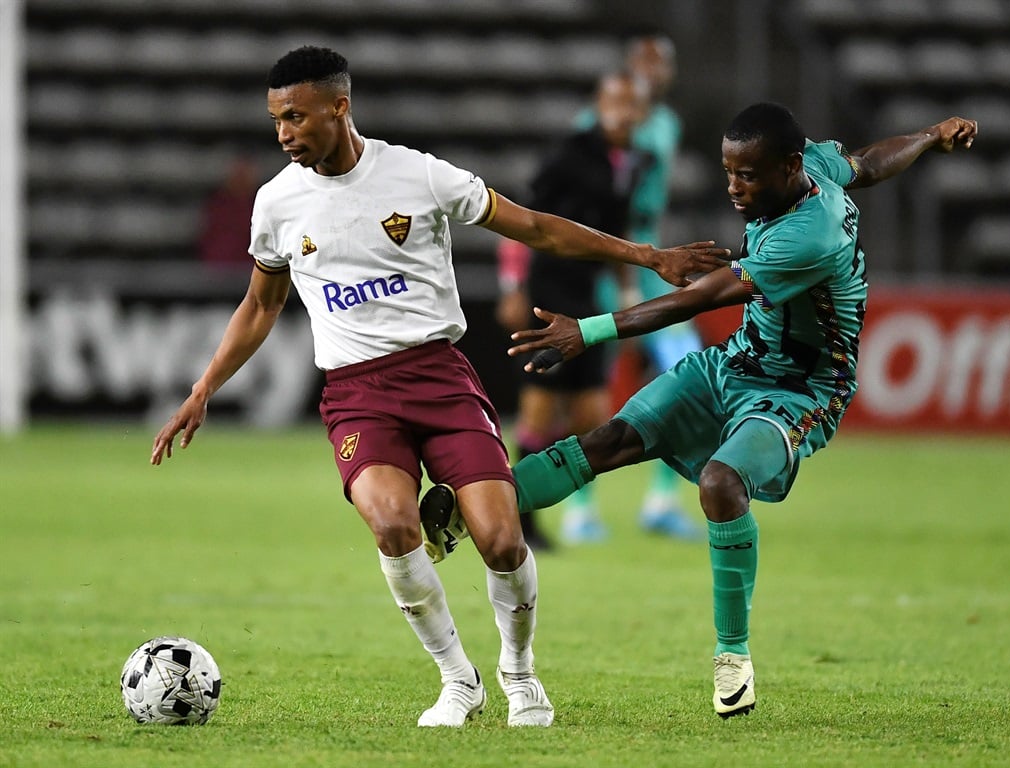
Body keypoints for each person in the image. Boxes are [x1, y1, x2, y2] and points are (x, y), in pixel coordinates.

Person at [149, 46, 729, 728]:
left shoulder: (417, 175)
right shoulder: (277, 203)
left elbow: (537, 226)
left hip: (439, 377)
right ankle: (459, 679)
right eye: (277, 120)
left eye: (297, 117)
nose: (284, 133)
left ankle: (520, 672)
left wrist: (646, 255)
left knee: (503, 541)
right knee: (394, 525)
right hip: (355, 392)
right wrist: (205, 385)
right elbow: (261, 305)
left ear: (340, 107)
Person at [504, 104, 978, 718]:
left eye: (748, 175)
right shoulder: (815, 168)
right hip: (735, 364)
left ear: (787, 168)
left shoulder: (811, 233)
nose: (734, 187)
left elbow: (705, 295)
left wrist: (588, 332)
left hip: (802, 390)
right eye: (729, 172)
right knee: (612, 438)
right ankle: (472, 509)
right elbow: (867, 162)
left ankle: (734, 658)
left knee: (721, 484)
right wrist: (930, 136)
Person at [495, 70, 652, 548]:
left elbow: (616, 234)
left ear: (642, 112)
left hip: (587, 296)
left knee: (591, 413)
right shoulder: (569, 155)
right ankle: (516, 518)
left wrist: (628, 295)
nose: (622, 112)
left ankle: (542, 497)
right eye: (614, 101)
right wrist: (513, 286)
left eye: (630, 104)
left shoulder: (632, 163)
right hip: (548, 292)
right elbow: (524, 217)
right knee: (540, 407)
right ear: (598, 104)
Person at [577, 32, 705, 540]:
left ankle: (661, 501)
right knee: (591, 390)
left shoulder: (668, 124)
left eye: (662, 63)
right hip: (602, 265)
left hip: (651, 263)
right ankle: (580, 507)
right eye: (644, 61)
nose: (653, 70)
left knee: (689, 376)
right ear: (628, 67)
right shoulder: (590, 126)